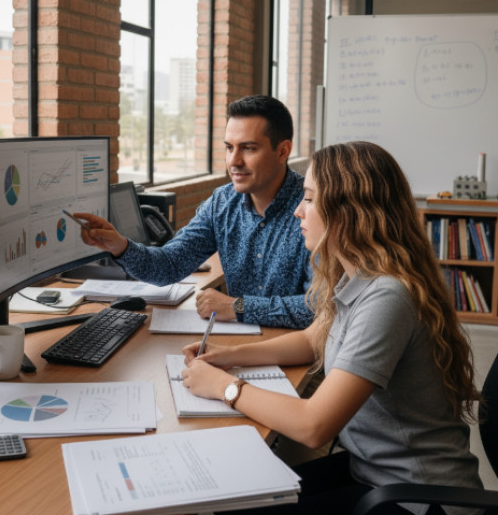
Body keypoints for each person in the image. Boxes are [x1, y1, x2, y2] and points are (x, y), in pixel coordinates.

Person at [181, 141, 482, 514]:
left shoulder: (387, 297)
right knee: (240, 500)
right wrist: (228, 357)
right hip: (374, 471)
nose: (297, 211)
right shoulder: (357, 273)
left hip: (419, 498)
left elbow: (313, 427)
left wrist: (223, 387)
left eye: (308, 198)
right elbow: (314, 338)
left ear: (349, 211)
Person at [76, 95, 312, 328]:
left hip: (300, 354)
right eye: (229, 148)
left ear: (282, 151)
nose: (234, 161)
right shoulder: (222, 203)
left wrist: (238, 306)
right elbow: (169, 266)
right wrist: (120, 247)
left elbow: (319, 307)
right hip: (240, 348)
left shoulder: (315, 207)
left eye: (248, 148)